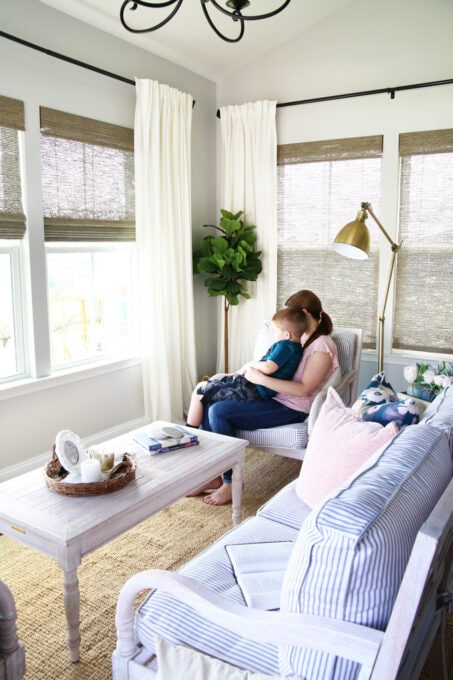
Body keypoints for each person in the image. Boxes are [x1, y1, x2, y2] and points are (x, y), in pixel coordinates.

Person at [196, 290, 340, 506]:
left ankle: (230, 482)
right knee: (212, 399)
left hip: (291, 407)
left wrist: (260, 379)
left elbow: (303, 389)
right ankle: (213, 473)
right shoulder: (300, 340)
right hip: (272, 397)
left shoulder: (321, 346)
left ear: (303, 313)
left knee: (219, 412)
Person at [186, 307, 307, 428]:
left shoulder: (285, 346)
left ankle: (190, 434)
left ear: (287, 335)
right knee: (208, 389)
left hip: (251, 388)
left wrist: (250, 364)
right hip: (253, 388)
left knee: (200, 391)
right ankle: (203, 436)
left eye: (275, 331)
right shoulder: (296, 349)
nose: (274, 334)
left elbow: (269, 367)